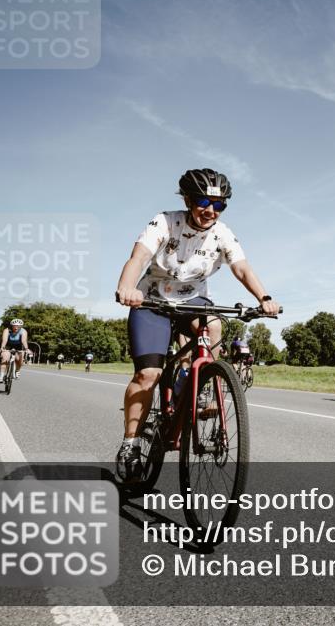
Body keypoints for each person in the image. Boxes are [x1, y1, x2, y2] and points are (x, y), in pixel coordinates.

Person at [113, 168, 280, 481]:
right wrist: (127, 286)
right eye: (204, 201)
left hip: (193, 302)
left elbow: (241, 268)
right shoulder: (164, 222)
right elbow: (138, 257)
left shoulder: (222, 233)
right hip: (152, 302)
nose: (211, 210)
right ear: (188, 200)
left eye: (219, 205)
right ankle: (131, 443)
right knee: (148, 373)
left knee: (213, 326)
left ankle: (202, 389)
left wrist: (265, 298)